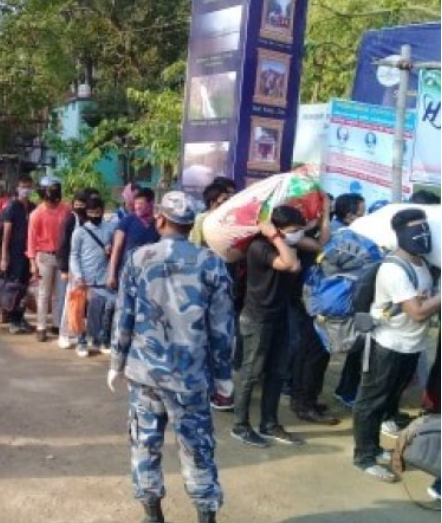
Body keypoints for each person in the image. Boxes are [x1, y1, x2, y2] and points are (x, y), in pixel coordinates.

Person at [108, 191, 234, 523]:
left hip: (145, 374)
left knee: (145, 445)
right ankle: (206, 515)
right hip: (191, 378)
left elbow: (124, 316)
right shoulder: (212, 263)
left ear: (160, 219)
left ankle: (152, 515)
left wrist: (116, 362)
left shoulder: (137, 259)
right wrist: (223, 375)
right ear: (191, 225)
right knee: (198, 449)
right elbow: (222, 328)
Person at [353, 208, 441, 482]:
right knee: (371, 402)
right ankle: (364, 456)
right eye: (417, 229)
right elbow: (417, 312)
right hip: (387, 346)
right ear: (401, 234)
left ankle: (373, 447)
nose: (423, 235)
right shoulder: (393, 269)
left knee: (389, 399)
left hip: (411, 346)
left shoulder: (423, 264)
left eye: (425, 229)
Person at [232, 206, 305, 448]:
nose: (297, 234)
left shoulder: (285, 244)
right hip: (258, 318)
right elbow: (289, 264)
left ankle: (269, 423)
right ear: (277, 229)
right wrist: (273, 235)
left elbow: (298, 260)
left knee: (277, 372)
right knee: (250, 373)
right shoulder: (260, 247)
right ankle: (240, 425)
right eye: (293, 230)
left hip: (279, 316)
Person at [289, 196, 340, 425]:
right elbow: (322, 244)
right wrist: (325, 215)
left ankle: (305, 399)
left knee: (314, 352)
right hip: (306, 301)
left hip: (311, 298)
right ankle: (305, 404)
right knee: (313, 352)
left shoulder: (302, 231)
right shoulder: (296, 235)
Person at [332, 193, 367, 408]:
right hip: (338, 302)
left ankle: (345, 390)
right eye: (362, 213)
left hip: (345, 300)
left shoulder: (346, 233)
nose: (366, 217)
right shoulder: (340, 236)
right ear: (349, 215)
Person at [70, 197, 114, 358]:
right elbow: (74, 255)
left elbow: (116, 250)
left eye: (97, 212)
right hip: (84, 279)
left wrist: (110, 249)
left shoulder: (110, 228)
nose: (94, 215)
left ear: (102, 211)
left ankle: (101, 340)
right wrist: (78, 276)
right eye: (91, 212)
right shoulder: (80, 232)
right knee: (81, 312)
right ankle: (81, 342)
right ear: (86, 213)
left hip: (104, 278)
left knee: (105, 311)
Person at [27, 176, 71, 342]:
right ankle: (41, 326)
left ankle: (57, 324)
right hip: (44, 256)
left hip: (61, 256)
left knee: (60, 293)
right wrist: (32, 263)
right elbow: (31, 240)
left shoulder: (65, 209)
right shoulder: (36, 214)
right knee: (43, 293)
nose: (52, 200)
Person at [0, 175, 35, 334]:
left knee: (24, 287)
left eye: (28, 186)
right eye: (23, 187)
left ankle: (19, 317)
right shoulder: (12, 207)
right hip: (14, 254)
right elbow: (6, 234)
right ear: (17, 188)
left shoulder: (33, 207)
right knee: (13, 287)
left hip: (29, 253)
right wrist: (4, 256)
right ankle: (13, 320)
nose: (25, 190)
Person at [108, 188, 159, 290]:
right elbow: (116, 250)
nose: (137, 207)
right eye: (136, 204)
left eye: (141, 204)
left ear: (151, 203)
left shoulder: (157, 225)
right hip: (127, 275)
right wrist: (111, 275)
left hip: (149, 277)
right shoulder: (126, 222)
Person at [190, 182, 231, 247]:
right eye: (224, 199)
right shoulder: (201, 219)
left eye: (228, 199)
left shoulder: (229, 218)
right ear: (212, 201)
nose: (228, 202)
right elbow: (195, 243)